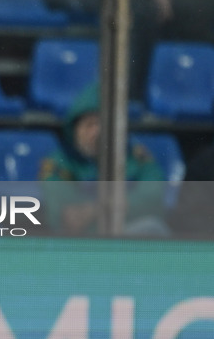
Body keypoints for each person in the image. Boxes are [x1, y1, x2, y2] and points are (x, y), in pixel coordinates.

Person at [38, 81, 168, 236]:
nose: (97, 132)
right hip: (81, 246)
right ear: (74, 130)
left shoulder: (135, 156)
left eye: (103, 124)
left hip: (129, 238)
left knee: (153, 228)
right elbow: (67, 216)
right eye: (89, 125)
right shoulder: (60, 163)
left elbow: (152, 198)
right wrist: (119, 207)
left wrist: (95, 209)